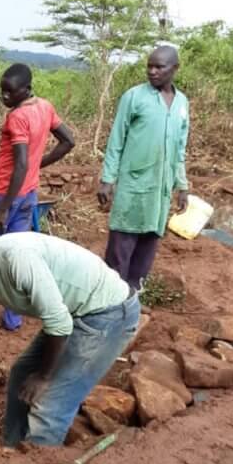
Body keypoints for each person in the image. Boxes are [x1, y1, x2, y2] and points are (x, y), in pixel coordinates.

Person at [0, 214, 139, 446]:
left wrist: (44, 377)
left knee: (50, 406)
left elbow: (59, 324)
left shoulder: (17, 258)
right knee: (22, 375)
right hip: (73, 315)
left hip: (108, 314)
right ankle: (12, 452)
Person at [0, 62, 75, 330]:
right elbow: (68, 142)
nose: (4, 98)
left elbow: (20, 164)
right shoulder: (45, 107)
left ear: (26, 89)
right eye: (2, 92)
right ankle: (14, 318)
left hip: (4, 195)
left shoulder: (17, 117)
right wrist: (39, 166)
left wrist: (2, 208)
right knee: (19, 256)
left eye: (10, 93)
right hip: (28, 196)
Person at [98, 45, 189, 290]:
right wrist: (108, 179)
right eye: (149, 65)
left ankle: (133, 297)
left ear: (175, 68)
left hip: (160, 190)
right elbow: (116, 139)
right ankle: (108, 301)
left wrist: (182, 186)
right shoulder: (134, 97)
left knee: (148, 245)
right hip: (133, 184)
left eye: (159, 67)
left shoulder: (181, 103)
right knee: (121, 245)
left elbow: (180, 148)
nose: (152, 71)